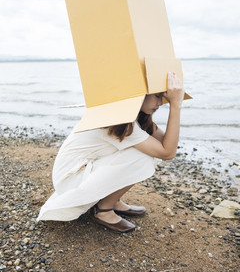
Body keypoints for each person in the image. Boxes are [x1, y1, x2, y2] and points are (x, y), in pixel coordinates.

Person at [37, 72, 184, 233]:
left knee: (143, 150)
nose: (160, 103)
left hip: (82, 167)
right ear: (140, 94)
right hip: (70, 178)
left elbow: (166, 144)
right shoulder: (117, 119)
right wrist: (176, 105)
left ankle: (112, 200)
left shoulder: (127, 113)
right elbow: (167, 153)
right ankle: (103, 210)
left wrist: (174, 101)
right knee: (142, 156)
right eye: (157, 96)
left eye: (163, 98)